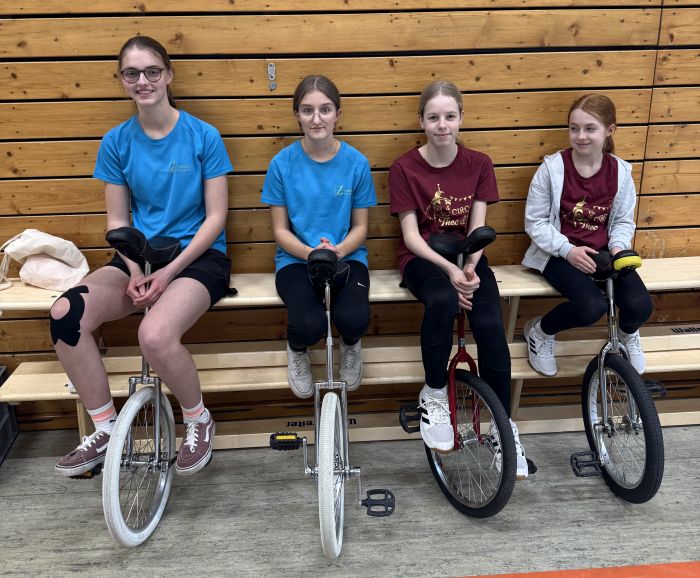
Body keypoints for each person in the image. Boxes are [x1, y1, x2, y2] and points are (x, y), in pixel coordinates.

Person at [52, 36, 233, 477]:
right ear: (121, 80)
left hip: (196, 258)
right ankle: (106, 427)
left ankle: (198, 420)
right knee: (65, 314)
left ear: (168, 75)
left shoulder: (203, 136)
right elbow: (117, 221)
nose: (143, 81)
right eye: (131, 73)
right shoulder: (116, 142)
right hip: (138, 258)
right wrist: (134, 270)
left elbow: (216, 219)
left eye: (152, 71)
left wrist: (168, 273)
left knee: (153, 336)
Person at [389, 79, 528, 479]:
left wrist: (469, 267)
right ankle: (434, 393)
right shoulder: (404, 167)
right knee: (443, 301)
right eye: (434, 117)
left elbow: (478, 229)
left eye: (450, 116)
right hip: (424, 258)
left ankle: (504, 426)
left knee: (489, 324)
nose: (442, 125)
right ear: (421, 120)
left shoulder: (479, 164)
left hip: (469, 255)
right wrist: (451, 272)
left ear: (461, 118)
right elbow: (411, 237)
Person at [261, 75, 376, 398]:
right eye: (307, 110)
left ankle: (350, 345)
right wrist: (311, 253)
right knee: (308, 326)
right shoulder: (281, 164)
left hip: (346, 258)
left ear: (338, 113)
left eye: (325, 109)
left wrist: (338, 250)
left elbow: (360, 227)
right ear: (297, 115)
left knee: (354, 319)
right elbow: (280, 230)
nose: (316, 119)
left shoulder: (356, 163)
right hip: (296, 261)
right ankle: (297, 349)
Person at [523, 93, 653, 377]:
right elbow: (535, 222)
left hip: (604, 253)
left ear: (609, 130)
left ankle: (627, 334)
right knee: (591, 307)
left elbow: (622, 220)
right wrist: (568, 250)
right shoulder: (552, 169)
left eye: (589, 128)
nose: (580, 136)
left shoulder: (620, 172)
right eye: (574, 128)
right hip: (558, 254)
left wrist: (618, 247)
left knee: (640, 306)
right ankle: (540, 332)